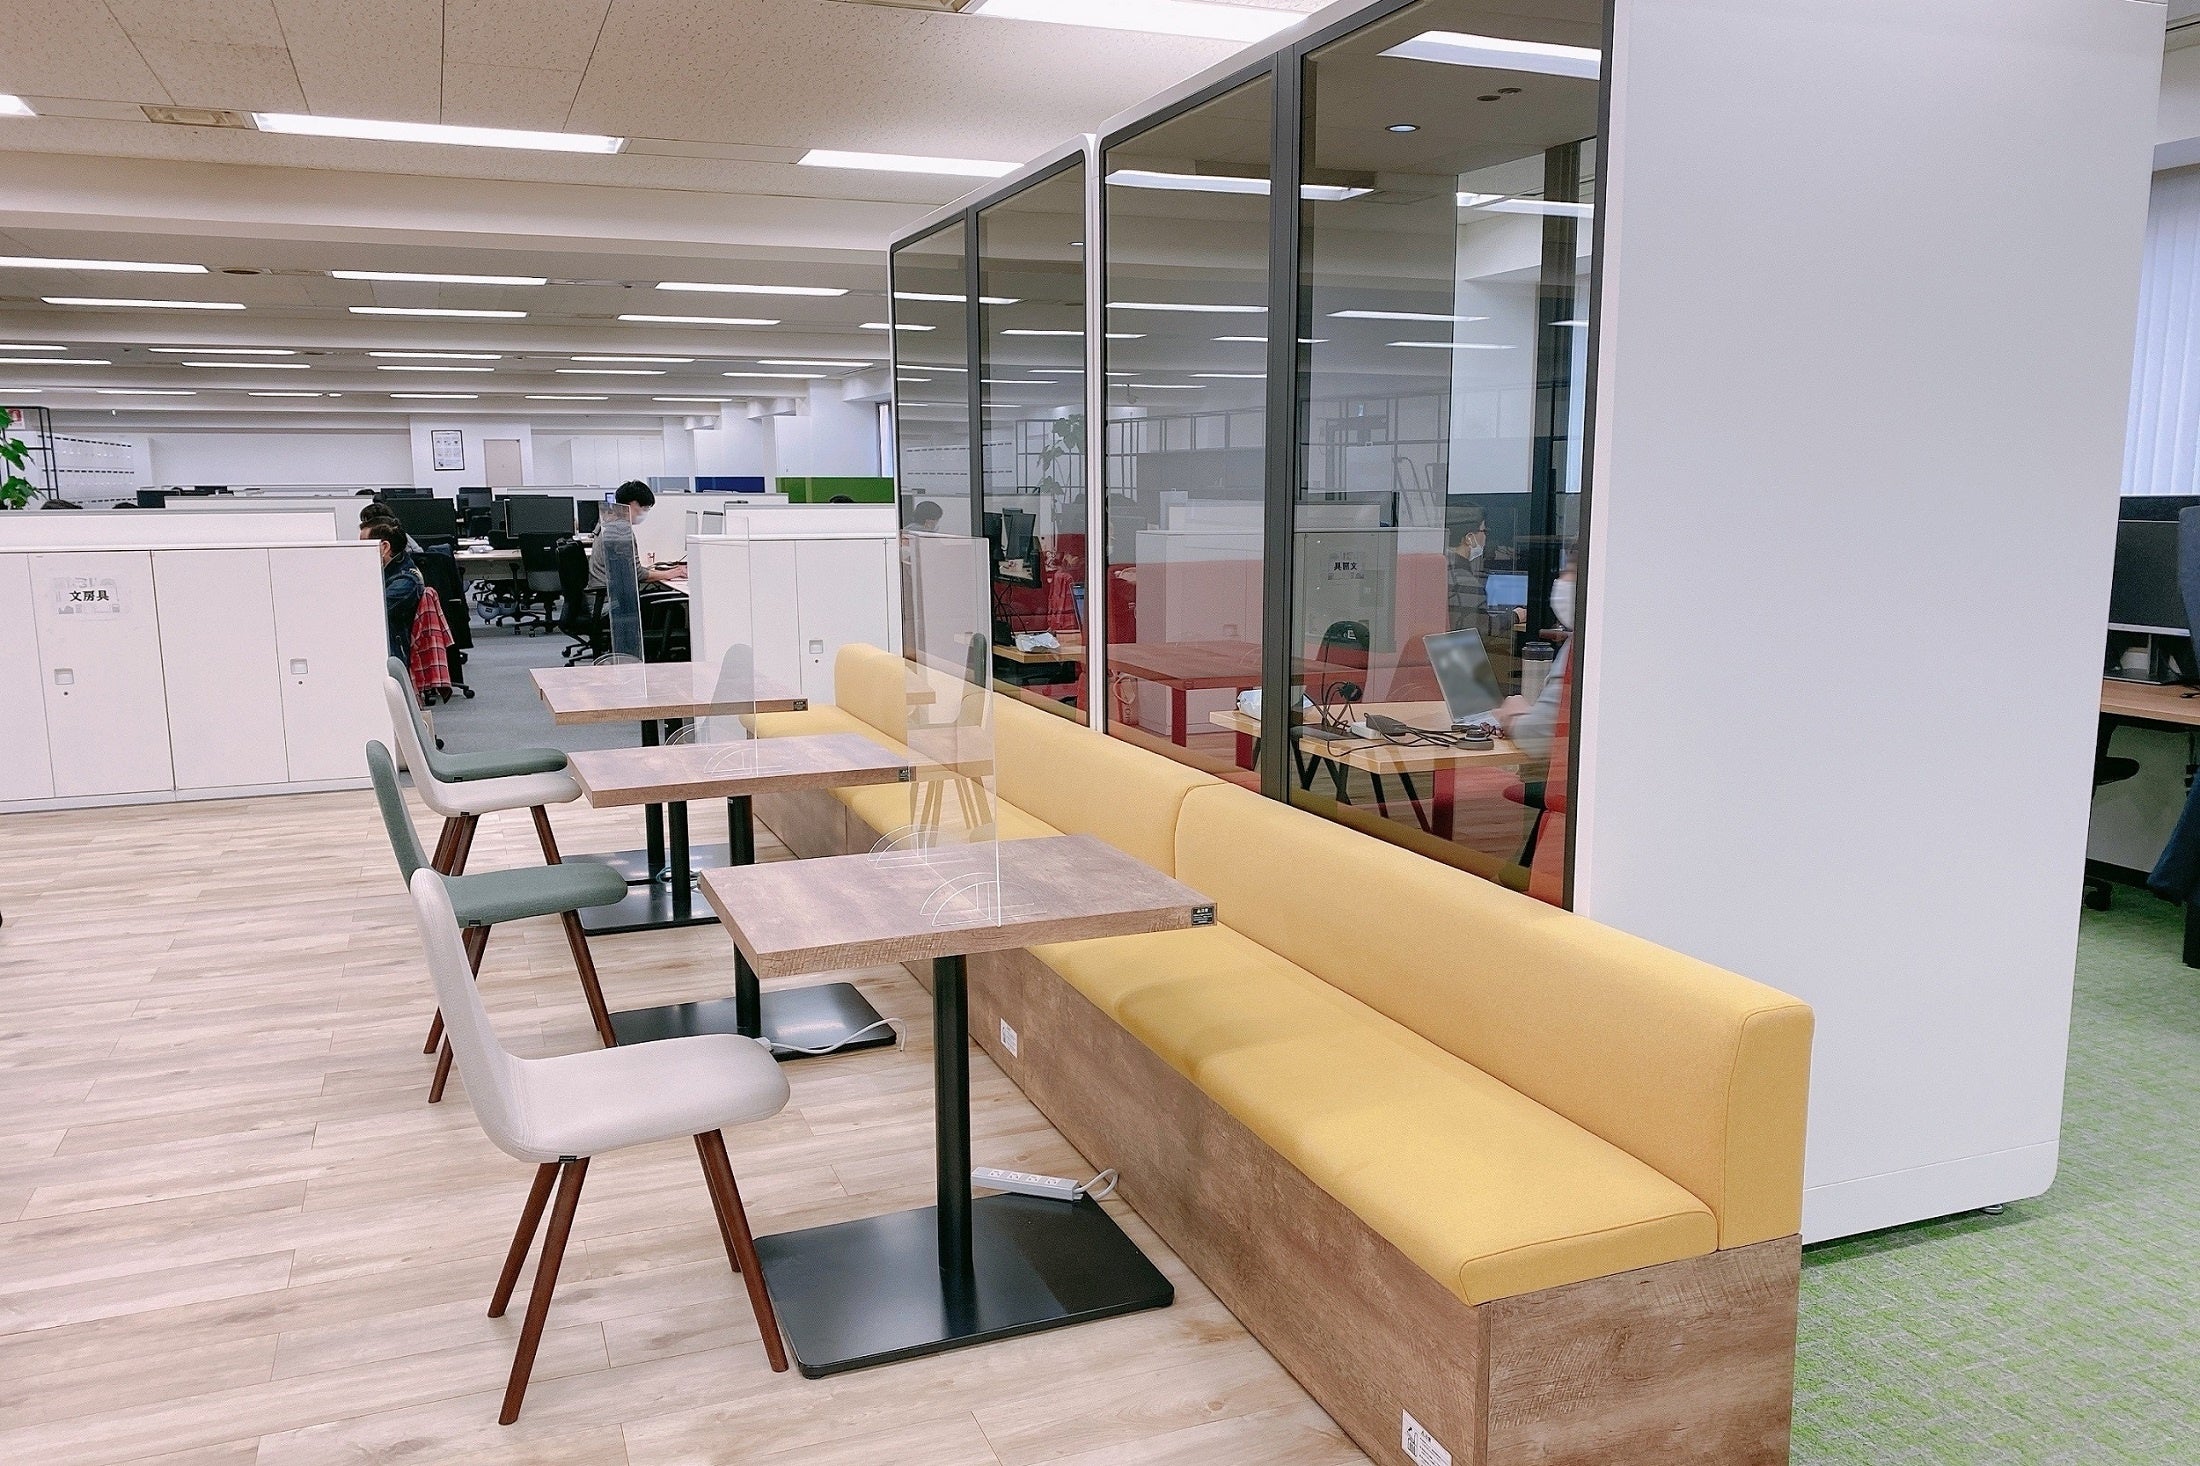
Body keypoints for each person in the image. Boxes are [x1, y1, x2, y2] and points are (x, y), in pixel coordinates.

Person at [588, 481, 683, 594]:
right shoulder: (620, 530)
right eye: (644, 507)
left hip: (605, 591)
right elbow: (637, 574)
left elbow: (630, 570)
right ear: (631, 503)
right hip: (612, 598)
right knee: (676, 601)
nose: (645, 512)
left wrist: (659, 571)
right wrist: (670, 574)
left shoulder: (609, 523)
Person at [365, 520, 424, 661]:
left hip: (394, 655)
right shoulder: (387, 572)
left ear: (385, 547)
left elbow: (371, 614)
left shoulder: (405, 581)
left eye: (364, 545)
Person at [1446, 506, 1489, 629]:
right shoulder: (1466, 582)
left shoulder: (1439, 570)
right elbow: (1482, 627)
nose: (1485, 537)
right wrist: (1515, 616)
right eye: (1484, 531)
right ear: (1469, 538)